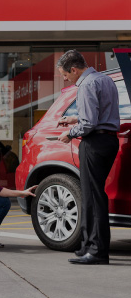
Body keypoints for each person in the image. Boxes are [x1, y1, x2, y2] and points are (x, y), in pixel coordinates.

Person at [56, 50, 120, 265]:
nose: (65, 78)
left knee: (92, 196)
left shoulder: (85, 84)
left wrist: (69, 133)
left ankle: (97, 251)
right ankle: (87, 245)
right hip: (109, 140)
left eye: (65, 74)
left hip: (94, 141)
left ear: (74, 69)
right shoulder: (105, 80)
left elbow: (90, 123)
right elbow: (100, 114)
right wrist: (74, 119)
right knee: (94, 194)